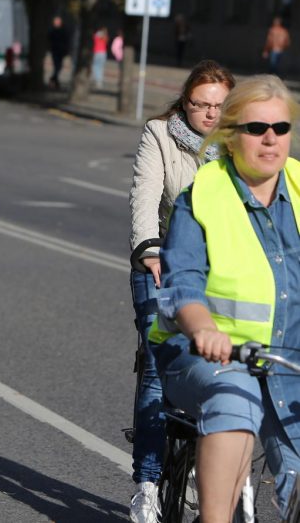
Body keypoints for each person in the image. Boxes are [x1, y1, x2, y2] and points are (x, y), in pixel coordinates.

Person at [151, 74, 300, 523]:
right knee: (234, 396)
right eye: (256, 128)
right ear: (231, 137)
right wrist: (206, 330)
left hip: (287, 364)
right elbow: (185, 287)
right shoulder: (203, 197)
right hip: (210, 358)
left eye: (281, 128)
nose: (270, 139)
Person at [127, 60, 235, 523]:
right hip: (163, 263)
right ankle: (148, 485)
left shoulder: (241, 141)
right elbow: (146, 194)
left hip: (224, 269)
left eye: (218, 106)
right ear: (185, 101)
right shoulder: (160, 134)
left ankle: (201, 465)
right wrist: (149, 248)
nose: (209, 114)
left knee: (226, 365)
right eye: (200, 104)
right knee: (156, 366)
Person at [48, 15, 69, 90]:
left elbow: (66, 40)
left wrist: (66, 50)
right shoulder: (52, 30)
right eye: (55, 22)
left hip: (61, 51)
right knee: (57, 67)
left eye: (58, 22)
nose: (57, 23)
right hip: (55, 51)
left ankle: (54, 81)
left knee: (59, 67)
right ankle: (54, 80)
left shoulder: (63, 30)